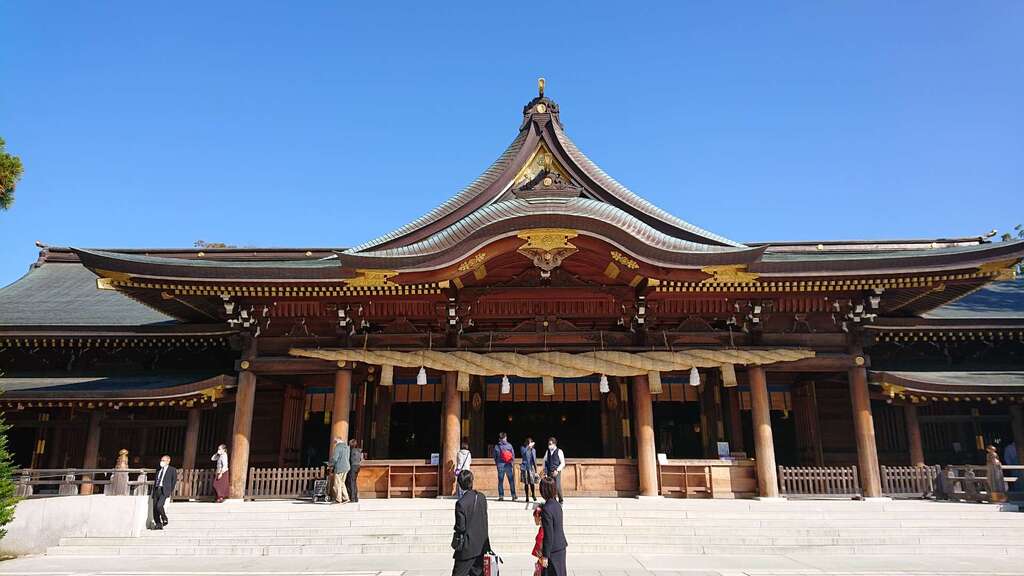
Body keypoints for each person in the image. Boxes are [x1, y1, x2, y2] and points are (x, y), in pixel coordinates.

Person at [452, 470, 490, 576]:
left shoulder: (461, 503)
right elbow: (484, 520)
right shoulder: (482, 497)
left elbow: (461, 527)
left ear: (459, 485)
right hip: (481, 545)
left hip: (467, 547)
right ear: (472, 481)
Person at [538, 476, 567, 576]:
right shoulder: (557, 504)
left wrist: (545, 556)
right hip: (560, 547)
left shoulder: (546, 509)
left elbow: (548, 534)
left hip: (552, 551)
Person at [151, 454, 178, 530]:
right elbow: (156, 480)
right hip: (157, 489)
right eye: (161, 460)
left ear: (168, 461)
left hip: (164, 490)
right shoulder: (158, 469)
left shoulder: (172, 470)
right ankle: (158, 524)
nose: (161, 462)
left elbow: (173, 481)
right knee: (155, 508)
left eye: (163, 460)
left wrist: (169, 491)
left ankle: (164, 518)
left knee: (159, 506)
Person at [493, 432, 517, 502]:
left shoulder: (497, 446)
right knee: (511, 481)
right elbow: (513, 455)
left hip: (500, 465)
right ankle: (513, 495)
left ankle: (501, 496)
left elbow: (495, 456)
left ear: (500, 438)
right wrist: (512, 463)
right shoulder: (509, 445)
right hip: (508, 465)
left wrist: (497, 464)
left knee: (500, 481)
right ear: (506, 437)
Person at [543, 437, 565, 504]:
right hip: (549, 472)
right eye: (548, 444)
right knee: (550, 487)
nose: (549, 445)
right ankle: (553, 500)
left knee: (557, 486)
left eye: (550, 444)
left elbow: (563, 463)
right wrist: (545, 471)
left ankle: (561, 500)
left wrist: (557, 470)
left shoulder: (559, 451)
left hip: (556, 471)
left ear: (554, 444)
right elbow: (544, 461)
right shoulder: (547, 451)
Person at [331, 437, 351, 504]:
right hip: (346, 467)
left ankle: (338, 499)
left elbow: (335, 458)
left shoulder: (338, 447)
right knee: (342, 483)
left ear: (337, 441)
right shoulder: (347, 447)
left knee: (337, 484)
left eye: (335, 442)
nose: (334, 444)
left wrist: (330, 464)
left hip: (339, 467)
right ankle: (346, 498)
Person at [521, 437, 539, 502]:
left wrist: (536, 470)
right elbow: (523, 453)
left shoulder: (533, 450)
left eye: (531, 442)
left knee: (532, 482)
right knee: (526, 483)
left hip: (531, 468)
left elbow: (534, 460)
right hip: (525, 467)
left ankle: (533, 495)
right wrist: (528, 447)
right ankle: (527, 497)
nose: (530, 444)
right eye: (528, 442)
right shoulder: (523, 448)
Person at [347, 438, 363, 503]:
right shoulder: (359, 450)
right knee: (354, 482)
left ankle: (352, 498)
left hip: (353, 466)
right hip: (358, 466)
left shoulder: (351, 451)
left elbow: (349, 459)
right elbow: (360, 459)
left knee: (351, 482)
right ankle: (356, 498)